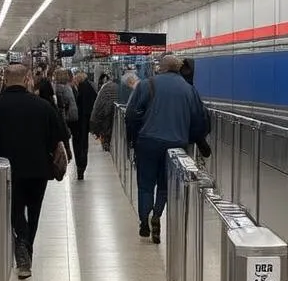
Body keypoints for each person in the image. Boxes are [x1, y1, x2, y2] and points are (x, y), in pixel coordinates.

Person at [0, 63, 69, 281]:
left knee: (15, 211)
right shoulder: (43, 106)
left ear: (5, 80)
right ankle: (27, 249)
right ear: (27, 78)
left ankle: (21, 245)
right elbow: (59, 136)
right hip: (38, 169)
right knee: (34, 210)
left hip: (7, 172)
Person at [125, 54, 208, 244]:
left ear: (160, 67)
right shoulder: (189, 90)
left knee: (145, 184)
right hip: (176, 143)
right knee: (165, 185)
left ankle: (144, 221)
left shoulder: (147, 85)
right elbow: (198, 120)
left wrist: (133, 138)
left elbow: (131, 115)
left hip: (148, 141)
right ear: (179, 68)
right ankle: (157, 215)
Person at [71, 71, 98, 181]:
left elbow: (80, 106)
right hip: (85, 122)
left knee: (79, 145)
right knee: (83, 145)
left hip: (80, 122)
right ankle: (81, 167)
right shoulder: (89, 87)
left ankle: (80, 167)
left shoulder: (82, 89)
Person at [89, 75, 119, 152]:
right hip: (115, 114)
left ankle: (106, 143)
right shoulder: (119, 87)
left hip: (106, 114)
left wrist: (94, 122)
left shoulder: (106, 88)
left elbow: (98, 105)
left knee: (107, 127)